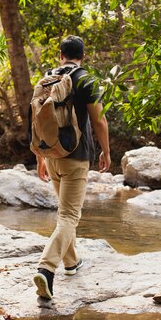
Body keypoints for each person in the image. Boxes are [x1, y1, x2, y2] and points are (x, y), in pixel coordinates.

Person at [32, 35, 111, 300]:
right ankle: (47, 268)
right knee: (69, 217)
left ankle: (72, 262)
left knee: (64, 213)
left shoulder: (47, 77)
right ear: (83, 56)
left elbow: (38, 121)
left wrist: (40, 157)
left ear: (60, 55)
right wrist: (106, 151)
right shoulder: (86, 78)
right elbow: (99, 121)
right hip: (76, 156)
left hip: (52, 154)